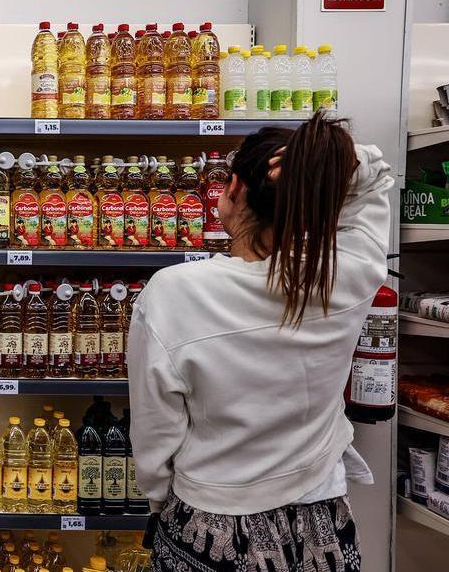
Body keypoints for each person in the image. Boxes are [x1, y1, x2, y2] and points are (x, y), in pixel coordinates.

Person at [127, 111, 392, 572]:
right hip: (321, 519)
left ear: (234, 189)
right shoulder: (341, 277)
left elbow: (156, 430)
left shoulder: (175, 291)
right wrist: (325, 167)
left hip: (211, 521)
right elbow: (375, 181)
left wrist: (158, 499)